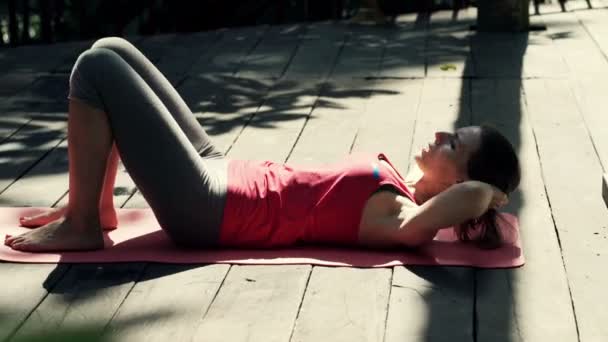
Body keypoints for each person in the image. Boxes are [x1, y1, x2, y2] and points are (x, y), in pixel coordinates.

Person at [4, 37, 520, 253]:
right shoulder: (399, 188)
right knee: (111, 49)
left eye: (453, 142)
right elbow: (468, 194)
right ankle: (92, 209)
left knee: (94, 70)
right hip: (223, 171)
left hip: (209, 207)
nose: (438, 135)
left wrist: (488, 193)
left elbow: (468, 201)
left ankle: (83, 227)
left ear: (461, 181)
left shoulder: (400, 219)